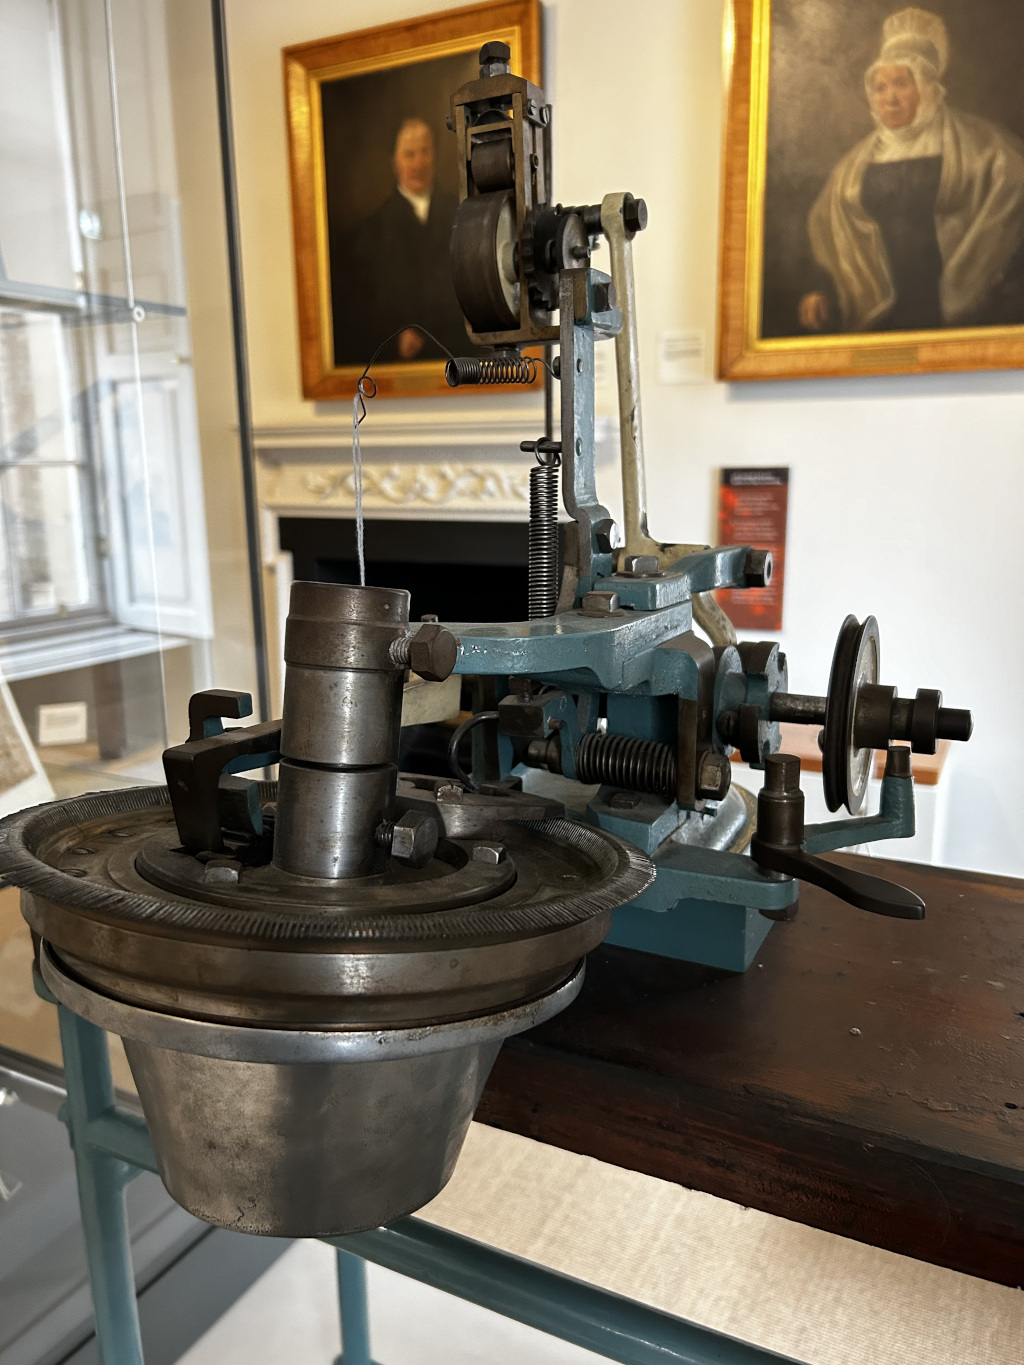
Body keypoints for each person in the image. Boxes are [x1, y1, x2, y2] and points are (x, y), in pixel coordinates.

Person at [799, 7, 1024, 334]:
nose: (889, 98)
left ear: (927, 87)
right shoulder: (853, 166)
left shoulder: (987, 150)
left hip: (968, 313)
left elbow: (1014, 216)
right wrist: (818, 289)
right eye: (880, 87)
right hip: (882, 317)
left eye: (901, 83)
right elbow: (830, 236)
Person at [332, 117, 471, 365]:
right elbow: (358, 313)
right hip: (398, 364)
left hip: (459, 359)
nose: (418, 163)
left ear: (435, 156)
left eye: (425, 152)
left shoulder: (463, 215)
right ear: (395, 163)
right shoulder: (372, 233)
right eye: (409, 154)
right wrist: (394, 338)